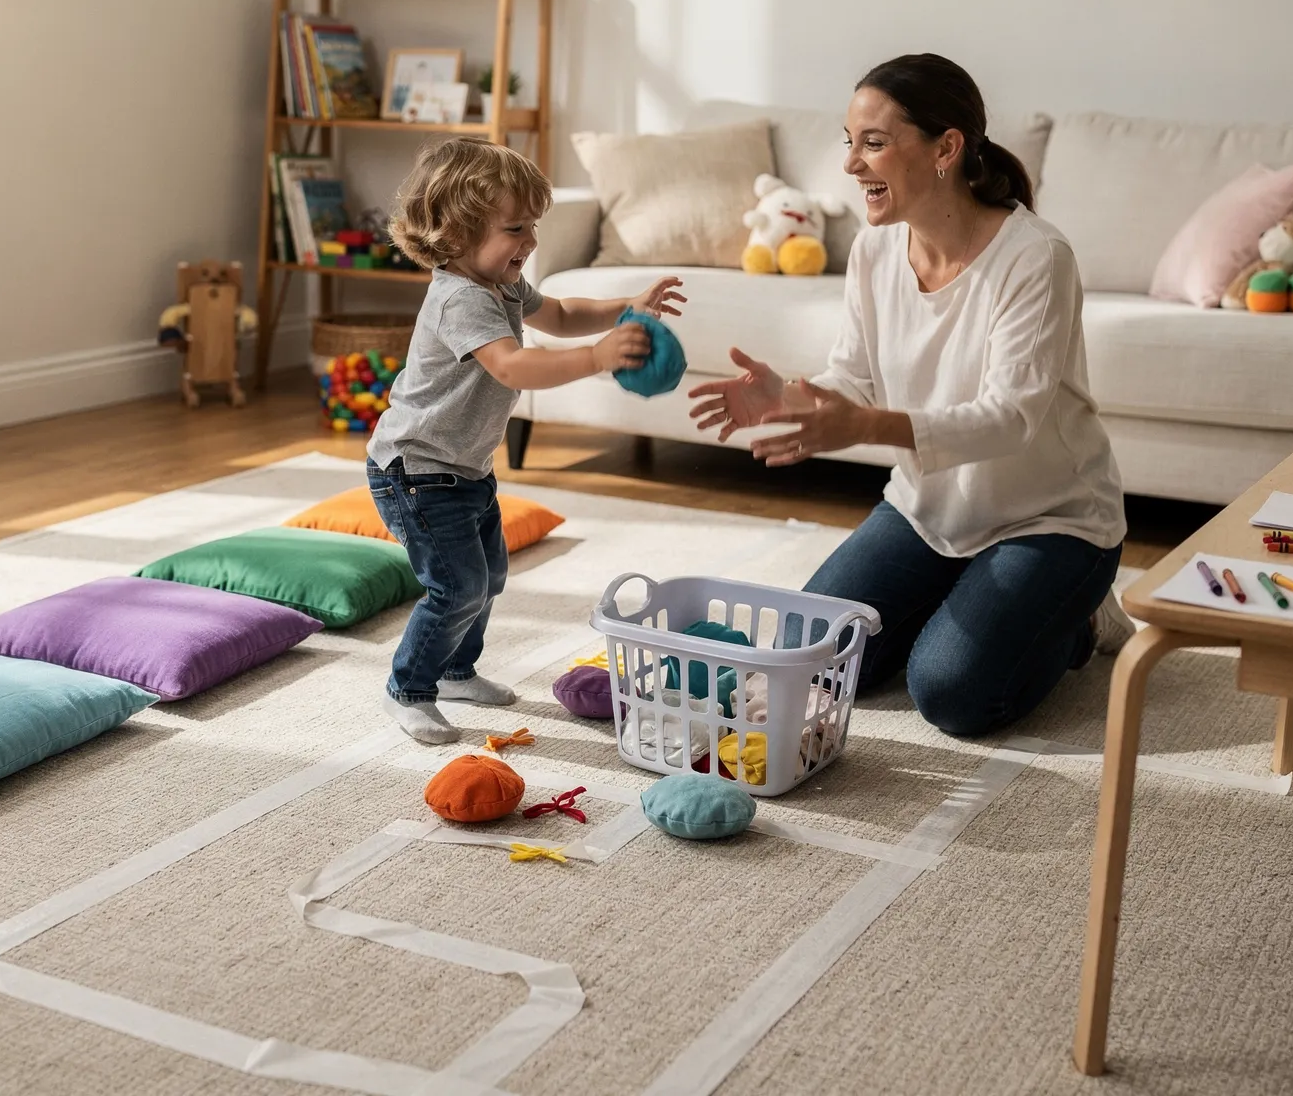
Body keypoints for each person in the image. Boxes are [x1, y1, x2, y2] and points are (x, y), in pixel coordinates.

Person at [688, 54, 1132, 738]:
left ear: (946, 148)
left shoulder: (1037, 257)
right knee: (806, 660)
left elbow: (1010, 419)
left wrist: (863, 423)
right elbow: (855, 377)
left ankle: (1077, 621)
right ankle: (970, 602)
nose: (850, 165)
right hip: (928, 511)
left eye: (873, 143)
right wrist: (792, 398)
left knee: (951, 692)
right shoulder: (874, 253)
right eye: (849, 142)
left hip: (1050, 520)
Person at [369, 138, 685, 743]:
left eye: (533, 226)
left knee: (487, 579)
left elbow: (561, 313)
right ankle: (408, 688)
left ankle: (457, 670)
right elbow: (513, 367)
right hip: (416, 471)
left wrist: (628, 307)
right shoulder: (459, 298)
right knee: (456, 586)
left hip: (464, 467)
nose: (531, 242)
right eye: (517, 228)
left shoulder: (503, 284)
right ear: (455, 233)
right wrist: (597, 358)